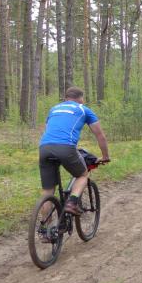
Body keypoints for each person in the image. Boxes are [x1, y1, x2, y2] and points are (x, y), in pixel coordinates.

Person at [39, 87, 110, 215]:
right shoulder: (84, 109)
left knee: (48, 190)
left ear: (66, 98)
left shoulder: (54, 109)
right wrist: (105, 156)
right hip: (66, 147)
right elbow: (100, 135)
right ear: (81, 98)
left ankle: (45, 225)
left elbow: (46, 129)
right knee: (83, 175)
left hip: (44, 147)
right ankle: (71, 203)